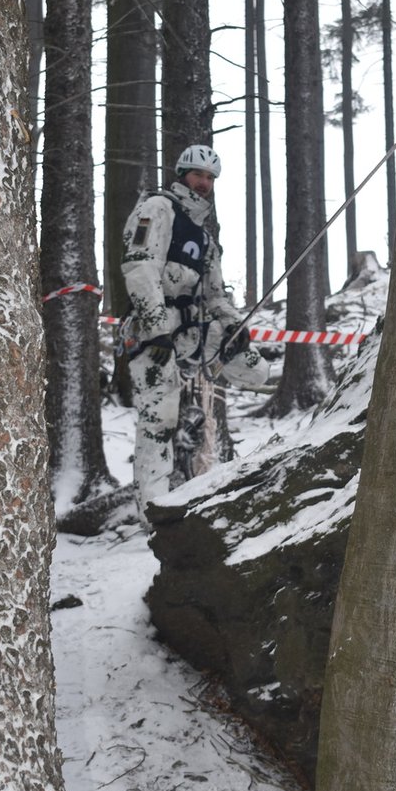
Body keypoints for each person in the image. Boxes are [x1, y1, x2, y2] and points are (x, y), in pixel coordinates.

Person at [120, 144, 269, 523]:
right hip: (152, 331)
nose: (204, 183)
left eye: (210, 178)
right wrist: (155, 330)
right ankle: (152, 512)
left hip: (191, 331)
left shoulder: (204, 237)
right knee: (160, 417)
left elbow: (215, 295)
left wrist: (235, 327)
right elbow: (139, 267)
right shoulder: (158, 208)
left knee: (256, 369)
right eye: (197, 175)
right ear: (182, 173)